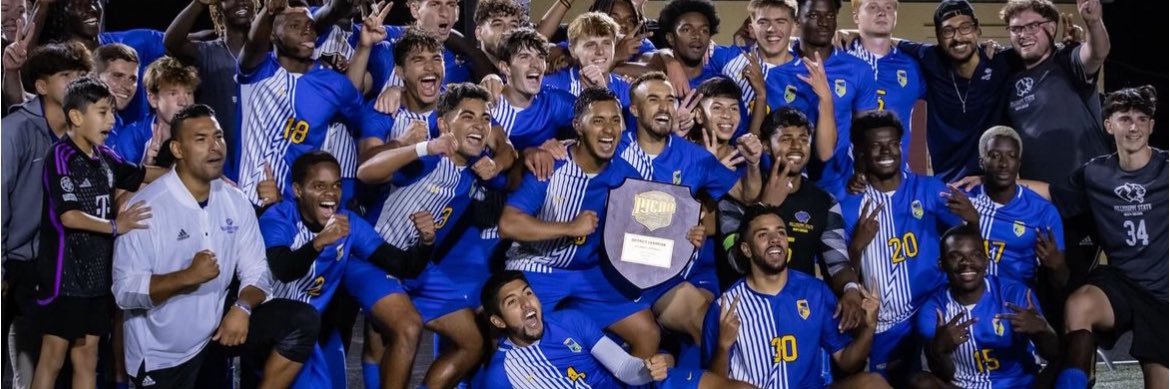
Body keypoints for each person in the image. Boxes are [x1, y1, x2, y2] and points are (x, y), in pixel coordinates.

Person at [111, 104, 318, 389]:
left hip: (214, 337)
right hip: (161, 356)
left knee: (301, 320)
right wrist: (187, 277)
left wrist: (243, 307)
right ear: (178, 149)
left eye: (218, 136)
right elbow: (124, 292)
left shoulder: (235, 200)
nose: (215, 146)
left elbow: (257, 270)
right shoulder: (147, 207)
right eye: (201, 139)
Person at [357, 83, 511, 388]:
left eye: (484, 118)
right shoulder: (427, 157)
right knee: (405, 330)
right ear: (443, 124)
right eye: (468, 116)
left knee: (472, 341)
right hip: (375, 260)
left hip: (418, 266)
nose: (479, 125)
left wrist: (501, 159)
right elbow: (365, 172)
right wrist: (423, 146)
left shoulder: (477, 170)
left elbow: (509, 149)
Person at [499, 87, 659, 357]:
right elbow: (508, 225)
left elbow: (647, 228)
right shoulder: (551, 165)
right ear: (578, 126)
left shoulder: (627, 174)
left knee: (648, 333)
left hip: (590, 272)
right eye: (598, 121)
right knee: (521, 344)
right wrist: (569, 228)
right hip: (537, 268)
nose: (609, 130)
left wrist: (685, 235)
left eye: (615, 120)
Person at [1028, 86, 1167, 389]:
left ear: (1152, 126)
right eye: (1126, 118)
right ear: (1109, 124)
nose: (1134, 127)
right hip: (1123, 282)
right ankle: (1077, 381)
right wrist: (996, 181)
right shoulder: (1096, 173)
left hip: (1164, 293)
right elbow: (1052, 193)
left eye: (1142, 119)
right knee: (1079, 305)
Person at [260, 151, 436, 388]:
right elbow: (284, 269)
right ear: (298, 190)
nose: (330, 194)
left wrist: (425, 243)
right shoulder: (279, 218)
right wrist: (318, 243)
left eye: (336, 185)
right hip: (274, 331)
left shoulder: (348, 222)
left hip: (314, 332)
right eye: (319, 185)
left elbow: (404, 265)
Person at [30, 76, 161, 389]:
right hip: (65, 278)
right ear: (76, 116)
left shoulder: (106, 158)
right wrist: (117, 226)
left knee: (88, 358)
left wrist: (190, 171)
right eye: (103, 112)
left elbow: (143, 174)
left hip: (97, 280)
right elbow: (70, 216)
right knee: (53, 357)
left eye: (112, 113)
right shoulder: (61, 157)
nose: (112, 120)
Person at [615, 72, 762, 347]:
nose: (664, 106)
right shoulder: (614, 148)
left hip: (666, 277)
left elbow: (748, 195)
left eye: (670, 99)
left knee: (710, 324)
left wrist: (753, 163)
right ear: (634, 109)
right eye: (653, 99)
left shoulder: (695, 158)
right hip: (613, 275)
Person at [839, 110, 974, 386]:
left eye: (892, 144)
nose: (887, 151)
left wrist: (973, 221)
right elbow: (839, 267)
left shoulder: (930, 189)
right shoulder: (849, 204)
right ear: (861, 152)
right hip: (884, 323)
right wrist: (857, 245)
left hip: (930, 310)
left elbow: (968, 241)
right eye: (876, 146)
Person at [701, 204, 887, 388]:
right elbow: (714, 385)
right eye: (763, 235)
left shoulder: (815, 292)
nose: (775, 239)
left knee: (873, 383)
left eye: (780, 232)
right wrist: (723, 346)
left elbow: (847, 362)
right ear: (746, 249)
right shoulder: (724, 308)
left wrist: (869, 327)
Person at [721, 107, 867, 331]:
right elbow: (736, 262)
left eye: (803, 139)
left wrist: (851, 290)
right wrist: (765, 207)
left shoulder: (824, 202)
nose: (797, 146)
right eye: (786, 139)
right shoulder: (737, 194)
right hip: (747, 315)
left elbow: (837, 262)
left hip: (801, 311)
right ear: (767, 146)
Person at [480, 270, 754, 388]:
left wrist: (646, 370)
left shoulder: (570, 321)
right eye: (513, 302)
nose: (527, 304)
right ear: (498, 321)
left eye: (528, 293)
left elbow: (624, 368)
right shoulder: (500, 376)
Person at [1, 41, 91, 389]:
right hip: (16, 264)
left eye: (81, 74)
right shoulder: (14, 131)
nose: (77, 82)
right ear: (41, 86)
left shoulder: (82, 136)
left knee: (48, 369)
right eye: (66, 75)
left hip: (58, 268)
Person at [234, 0, 382, 206]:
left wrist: (365, 49)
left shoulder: (333, 84)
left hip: (298, 208)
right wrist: (268, 13)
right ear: (273, 34)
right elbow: (252, 44)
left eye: (310, 25)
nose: (306, 30)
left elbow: (362, 115)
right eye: (294, 25)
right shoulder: (258, 71)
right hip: (246, 201)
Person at [913, 224, 1059, 389]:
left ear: (986, 260)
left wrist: (1042, 330)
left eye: (975, 255)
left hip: (1020, 385)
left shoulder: (1016, 294)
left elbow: (1053, 354)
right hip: (965, 386)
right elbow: (945, 375)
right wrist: (939, 350)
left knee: (1072, 351)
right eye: (955, 256)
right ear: (942, 264)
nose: (966, 263)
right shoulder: (933, 309)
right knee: (920, 382)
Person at [896, 0, 1022, 182]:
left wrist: (1072, 42)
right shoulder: (931, 58)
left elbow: (1045, 52)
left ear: (977, 29)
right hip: (948, 188)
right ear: (938, 37)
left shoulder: (1003, 61)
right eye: (948, 31)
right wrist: (852, 33)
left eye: (965, 27)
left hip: (995, 186)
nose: (958, 37)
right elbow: (887, 41)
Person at [1001, 0, 1111, 186]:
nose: (1023, 34)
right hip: (1044, 201)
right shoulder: (1009, 80)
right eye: (1016, 29)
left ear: (1051, 28)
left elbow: (1096, 54)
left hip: (1091, 192)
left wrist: (1093, 22)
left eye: (1033, 26)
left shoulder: (1067, 60)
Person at [776, 0, 878, 198]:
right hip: (787, 183)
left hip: (841, 184)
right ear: (797, 20)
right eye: (813, 15)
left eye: (829, 16)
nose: (823, 22)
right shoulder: (778, 69)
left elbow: (866, 131)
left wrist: (862, 171)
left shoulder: (858, 69)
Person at [966, 126, 1066, 289]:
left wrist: (1057, 266)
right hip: (968, 302)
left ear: (1019, 163)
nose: (1004, 163)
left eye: (1011, 156)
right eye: (995, 156)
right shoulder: (963, 199)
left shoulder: (1043, 212)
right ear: (982, 162)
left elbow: (1062, 280)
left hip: (1017, 304)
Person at [34, 0, 165, 123]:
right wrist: (42, 6)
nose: (91, 8)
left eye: (94, 1)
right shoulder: (58, 64)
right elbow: (28, 79)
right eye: (79, 2)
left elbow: (176, 44)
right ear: (62, 10)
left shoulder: (136, 43)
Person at [163, 0, 258, 163]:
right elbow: (171, 43)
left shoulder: (270, 54)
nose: (241, 1)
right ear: (217, 7)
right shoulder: (206, 52)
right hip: (217, 161)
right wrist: (199, 3)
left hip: (259, 160)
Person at [845, 0, 925, 168]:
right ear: (856, 17)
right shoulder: (838, 63)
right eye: (873, 7)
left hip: (896, 177)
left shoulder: (912, 66)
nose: (882, 12)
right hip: (846, 178)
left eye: (889, 7)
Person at [108, 56, 197, 165]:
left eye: (188, 93)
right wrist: (146, 168)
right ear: (153, 99)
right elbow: (117, 180)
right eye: (173, 93)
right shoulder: (132, 137)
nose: (183, 102)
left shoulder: (205, 133)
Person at [541, 12, 633, 107]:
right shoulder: (550, 84)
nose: (600, 51)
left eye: (606, 43)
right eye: (590, 45)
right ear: (572, 50)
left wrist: (602, 91)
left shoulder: (627, 90)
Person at [91, 43, 139, 129]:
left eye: (132, 79)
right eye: (117, 76)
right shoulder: (74, 123)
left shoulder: (119, 125)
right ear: (95, 76)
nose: (127, 86)